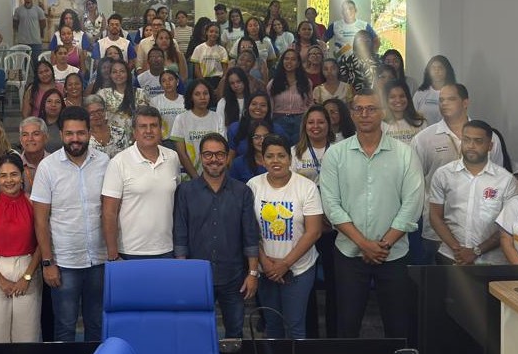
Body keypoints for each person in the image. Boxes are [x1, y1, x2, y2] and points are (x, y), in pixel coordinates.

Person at [318, 90, 423, 339]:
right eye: (359, 109)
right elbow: (331, 205)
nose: (364, 114)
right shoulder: (335, 154)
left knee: (398, 327)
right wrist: (364, 244)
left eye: (371, 108)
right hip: (349, 253)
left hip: (393, 253)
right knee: (347, 326)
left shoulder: (405, 153)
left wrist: (383, 245)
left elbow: (413, 204)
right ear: (351, 114)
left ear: (383, 112)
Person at [32, 106, 110, 342]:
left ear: (89, 133)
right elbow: (40, 219)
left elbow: (110, 211)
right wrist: (47, 262)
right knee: (65, 327)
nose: (75, 139)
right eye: (69, 133)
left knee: (97, 326)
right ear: (61, 135)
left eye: (80, 133)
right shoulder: (47, 167)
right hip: (64, 263)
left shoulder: (104, 162)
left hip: (99, 261)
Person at [173, 132, 259, 338]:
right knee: (196, 334)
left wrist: (253, 273)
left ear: (227, 157)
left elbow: (250, 235)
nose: (214, 159)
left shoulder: (242, 191)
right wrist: (183, 273)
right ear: (201, 157)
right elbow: (180, 233)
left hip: (234, 277)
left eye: (220, 154)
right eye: (208, 154)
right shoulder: (185, 191)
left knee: (235, 334)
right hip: (197, 277)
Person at [411, 83, 506, 263]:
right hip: (436, 230)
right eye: (441, 100)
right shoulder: (424, 138)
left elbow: (497, 179)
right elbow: (414, 183)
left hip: (481, 232)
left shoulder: (489, 137)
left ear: (465, 102)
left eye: (451, 99)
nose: (444, 104)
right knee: (436, 278)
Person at [250, 134, 324, 339]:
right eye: (270, 156)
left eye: (281, 156)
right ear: (262, 159)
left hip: (298, 269)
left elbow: (314, 231)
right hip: (266, 269)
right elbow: (248, 230)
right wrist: (265, 262)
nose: (276, 161)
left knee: (295, 327)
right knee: (272, 327)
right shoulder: (253, 185)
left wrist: (285, 264)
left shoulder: (306, 187)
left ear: (290, 159)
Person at [428, 120, 518, 265]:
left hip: (491, 262)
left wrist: (476, 251)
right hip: (450, 257)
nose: (471, 145)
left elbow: (508, 226)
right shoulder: (443, 174)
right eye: (466, 140)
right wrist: (458, 251)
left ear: (490, 146)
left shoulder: (506, 180)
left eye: (478, 141)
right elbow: (435, 216)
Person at [0, 153, 42, 343]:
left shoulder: (33, 203)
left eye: (13, 174)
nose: (9, 180)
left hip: (27, 269)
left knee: (27, 336)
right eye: (3, 175)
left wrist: (27, 277)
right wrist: (0, 279)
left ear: (22, 176)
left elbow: (42, 243)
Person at [102, 107, 180, 261]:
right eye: (143, 126)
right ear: (134, 132)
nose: (148, 131)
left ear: (161, 129)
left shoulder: (173, 157)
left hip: (166, 248)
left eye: (153, 125)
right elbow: (109, 213)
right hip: (130, 251)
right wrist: (112, 253)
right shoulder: (118, 162)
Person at [171, 79, 226, 179]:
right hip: (189, 175)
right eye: (197, 94)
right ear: (191, 97)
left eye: (205, 93)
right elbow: (181, 153)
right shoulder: (181, 119)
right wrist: (195, 177)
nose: (202, 97)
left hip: (214, 174)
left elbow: (221, 149)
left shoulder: (217, 118)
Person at [268, 49, 313, 144]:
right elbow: (269, 104)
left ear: (298, 63)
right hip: (279, 120)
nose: (289, 62)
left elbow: (310, 102)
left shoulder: (306, 82)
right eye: (286, 59)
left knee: (298, 148)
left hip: (300, 120)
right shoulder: (273, 83)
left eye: (293, 59)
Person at [98, 60, 148, 146]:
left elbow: (145, 119)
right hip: (110, 143)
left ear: (128, 74)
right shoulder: (103, 94)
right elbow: (100, 121)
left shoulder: (140, 93)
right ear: (110, 75)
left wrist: (133, 141)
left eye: (122, 71)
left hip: (135, 141)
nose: (118, 74)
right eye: (114, 72)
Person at [292, 105, 335, 183]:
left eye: (321, 122)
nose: (315, 126)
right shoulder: (294, 151)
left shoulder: (338, 150)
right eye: (311, 122)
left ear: (328, 124)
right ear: (305, 125)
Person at [413, 55, 456, 125]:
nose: (436, 71)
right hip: (423, 131)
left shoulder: (454, 93)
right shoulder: (420, 93)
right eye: (433, 68)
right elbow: (412, 115)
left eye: (440, 68)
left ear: (447, 71)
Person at [382, 80, 426, 146]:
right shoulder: (380, 124)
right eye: (392, 97)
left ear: (408, 98)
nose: (398, 100)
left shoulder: (420, 122)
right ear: (386, 100)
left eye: (402, 96)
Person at [13, 0, 47, 68]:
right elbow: (15, 24)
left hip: (36, 42)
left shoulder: (38, 10)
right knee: (23, 65)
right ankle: (25, 77)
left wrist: (35, 31)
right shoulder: (18, 10)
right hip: (22, 42)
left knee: (37, 64)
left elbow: (43, 24)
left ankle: (36, 77)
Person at [85, 94, 128, 158]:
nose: (97, 115)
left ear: (105, 111)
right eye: (92, 113)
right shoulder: (84, 137)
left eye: (99, 111)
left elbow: (127, 157)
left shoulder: (120, 133)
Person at [192, 22, 230, 91]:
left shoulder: (222, 50)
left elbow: (225, 70)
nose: (214, 34)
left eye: (216, 32)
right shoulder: (198, 48)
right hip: (203, 79)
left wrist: (220, 85)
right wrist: (204, 83)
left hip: (218, 80)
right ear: (206, 32)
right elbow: (197, 69)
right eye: (211, 31)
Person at [149, 70, 185, 141]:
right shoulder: (154, 101)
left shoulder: (186, 100)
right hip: (164, 141)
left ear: (177, 81)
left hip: (184, 140)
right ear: (161, 84)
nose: (168, 83)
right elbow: (153, 123)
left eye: (170, 79)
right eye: (164, 81)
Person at [17, 117, 50, 192]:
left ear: (46, 138)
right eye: (25, 135)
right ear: (20, 140)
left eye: (36, 134)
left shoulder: (55, 163)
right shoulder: (15, 164)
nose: (30, 139)